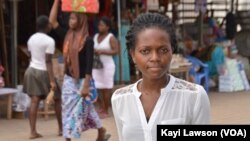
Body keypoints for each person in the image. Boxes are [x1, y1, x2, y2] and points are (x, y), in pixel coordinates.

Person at [111, 13, 210, 141]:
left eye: (163, 50)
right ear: (133, 55)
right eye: (145, 51)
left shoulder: (194, 96)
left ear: (172, 50)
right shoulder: (120, 99)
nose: (155, 58)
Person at [49, 0, 110, 141]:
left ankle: (101, 131)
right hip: (69, 80)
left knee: (85, 109)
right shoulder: (67, 35)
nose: (70, 21)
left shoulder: (88, 40)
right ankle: (69, 138)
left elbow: (89, 65)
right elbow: (52, 21)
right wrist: (57, 2)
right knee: (68, 109)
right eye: (69, 18)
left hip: (84, 81)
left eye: (73, 18)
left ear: (81, 20)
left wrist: (86, 85)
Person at [23, 15, 62, 139]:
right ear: (47, 26)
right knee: (57, 99)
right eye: (50, 24)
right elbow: (48, 61)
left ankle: (33, 131)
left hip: (31, 70)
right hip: (44, 71)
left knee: (34, 101)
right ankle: (61, 129)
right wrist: (52, 81)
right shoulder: (49, 41)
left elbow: (30, 55)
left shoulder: (31, 39)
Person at [92, 16, 119, 118]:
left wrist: (103, 51)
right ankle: (101, 106)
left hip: (107, 66)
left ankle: (106, 110)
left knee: (106, 88)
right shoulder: (95, 37)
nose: (100, 27)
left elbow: (116, 51)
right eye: (99, 25)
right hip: (96, 66)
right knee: (95, 87)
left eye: (102, 25)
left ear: (107, 27)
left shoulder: (111, 37)